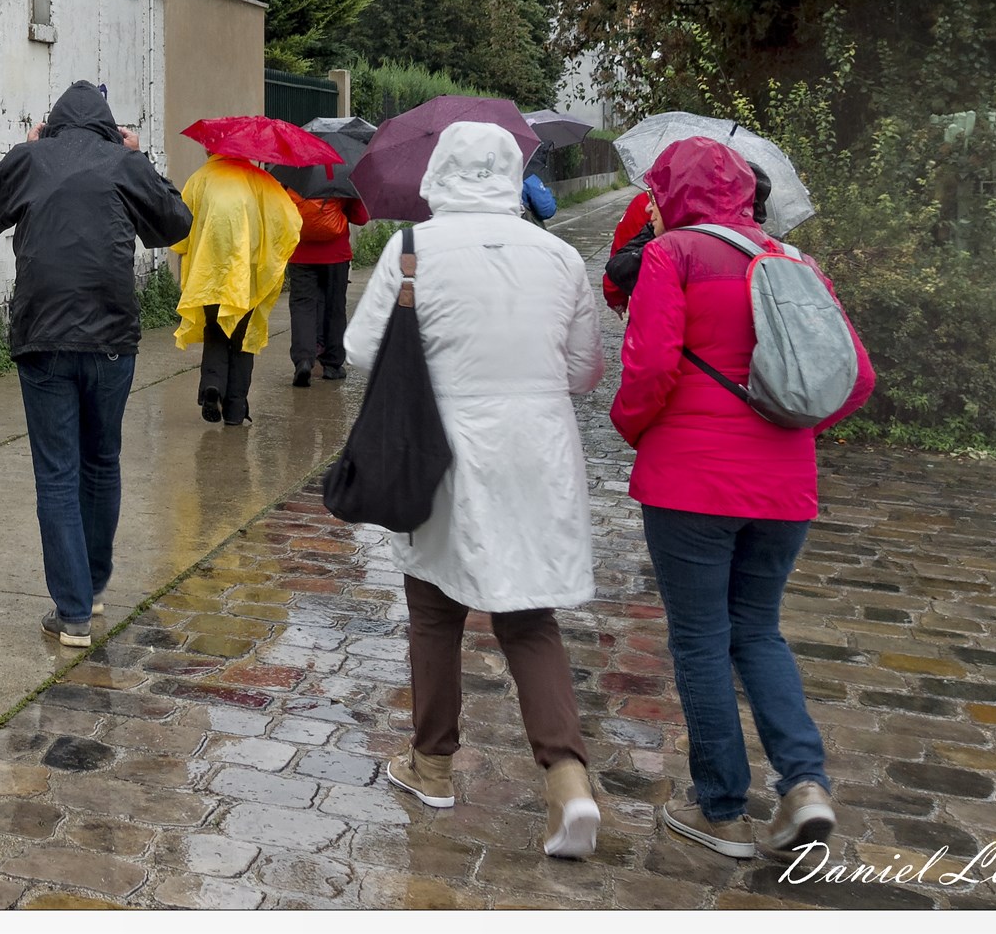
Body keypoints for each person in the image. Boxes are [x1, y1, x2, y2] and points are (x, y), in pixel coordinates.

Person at [347, 121, 607, 861]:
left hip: (443, 446)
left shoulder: (414, 248)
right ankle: (567, 779)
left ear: (439, 171)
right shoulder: (559, 255)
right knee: (529, 616)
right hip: (537, 451)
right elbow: (584, 369)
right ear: (511, 173)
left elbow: (361, 348)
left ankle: (431, 765)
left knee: (434, 608)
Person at [611, 137, 874, 861]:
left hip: (690, 480)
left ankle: (721, 809)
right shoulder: (795, 260)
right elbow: (857, 378)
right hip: (785, 485)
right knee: (758, 631)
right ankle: (805, 783)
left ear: (674, 193)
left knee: (700, 638)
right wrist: (791, 429)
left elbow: (649, 368)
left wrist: (635, 430)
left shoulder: (672, 254)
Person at [0, 81, 190, 651]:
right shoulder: (124, 163)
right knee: (101, 460)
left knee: (58, 473)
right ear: (109, 127)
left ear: (54, 124)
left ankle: (73, 612)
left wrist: (25, 149)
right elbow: (176, 222)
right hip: (112, 340)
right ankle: (92, 588)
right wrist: (140, 157)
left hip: (43, 340)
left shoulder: (33, 159)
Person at [172, 147, 301, 426]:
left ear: (210, 148)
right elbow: (289, 222)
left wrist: (184, 250)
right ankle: (235, 409)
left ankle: (213, 384)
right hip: (248, 276)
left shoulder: (200, 178)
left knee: (215, 330)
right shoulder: (261, 180)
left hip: (209, 273)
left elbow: (181, 223)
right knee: (242, 339)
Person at [604, 162, 773, 314]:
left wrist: (616, 298)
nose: (649, 207)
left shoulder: (676, 250)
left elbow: (619, 261)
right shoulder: (770, 252)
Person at [283, 177, 367, 387]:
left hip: (300, 253)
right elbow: (361, 217)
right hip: (336, 254)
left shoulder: (294, 174)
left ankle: (303, 360)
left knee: (302, 306)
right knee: (335, 306)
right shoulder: (343, 176)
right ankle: (332, 365)